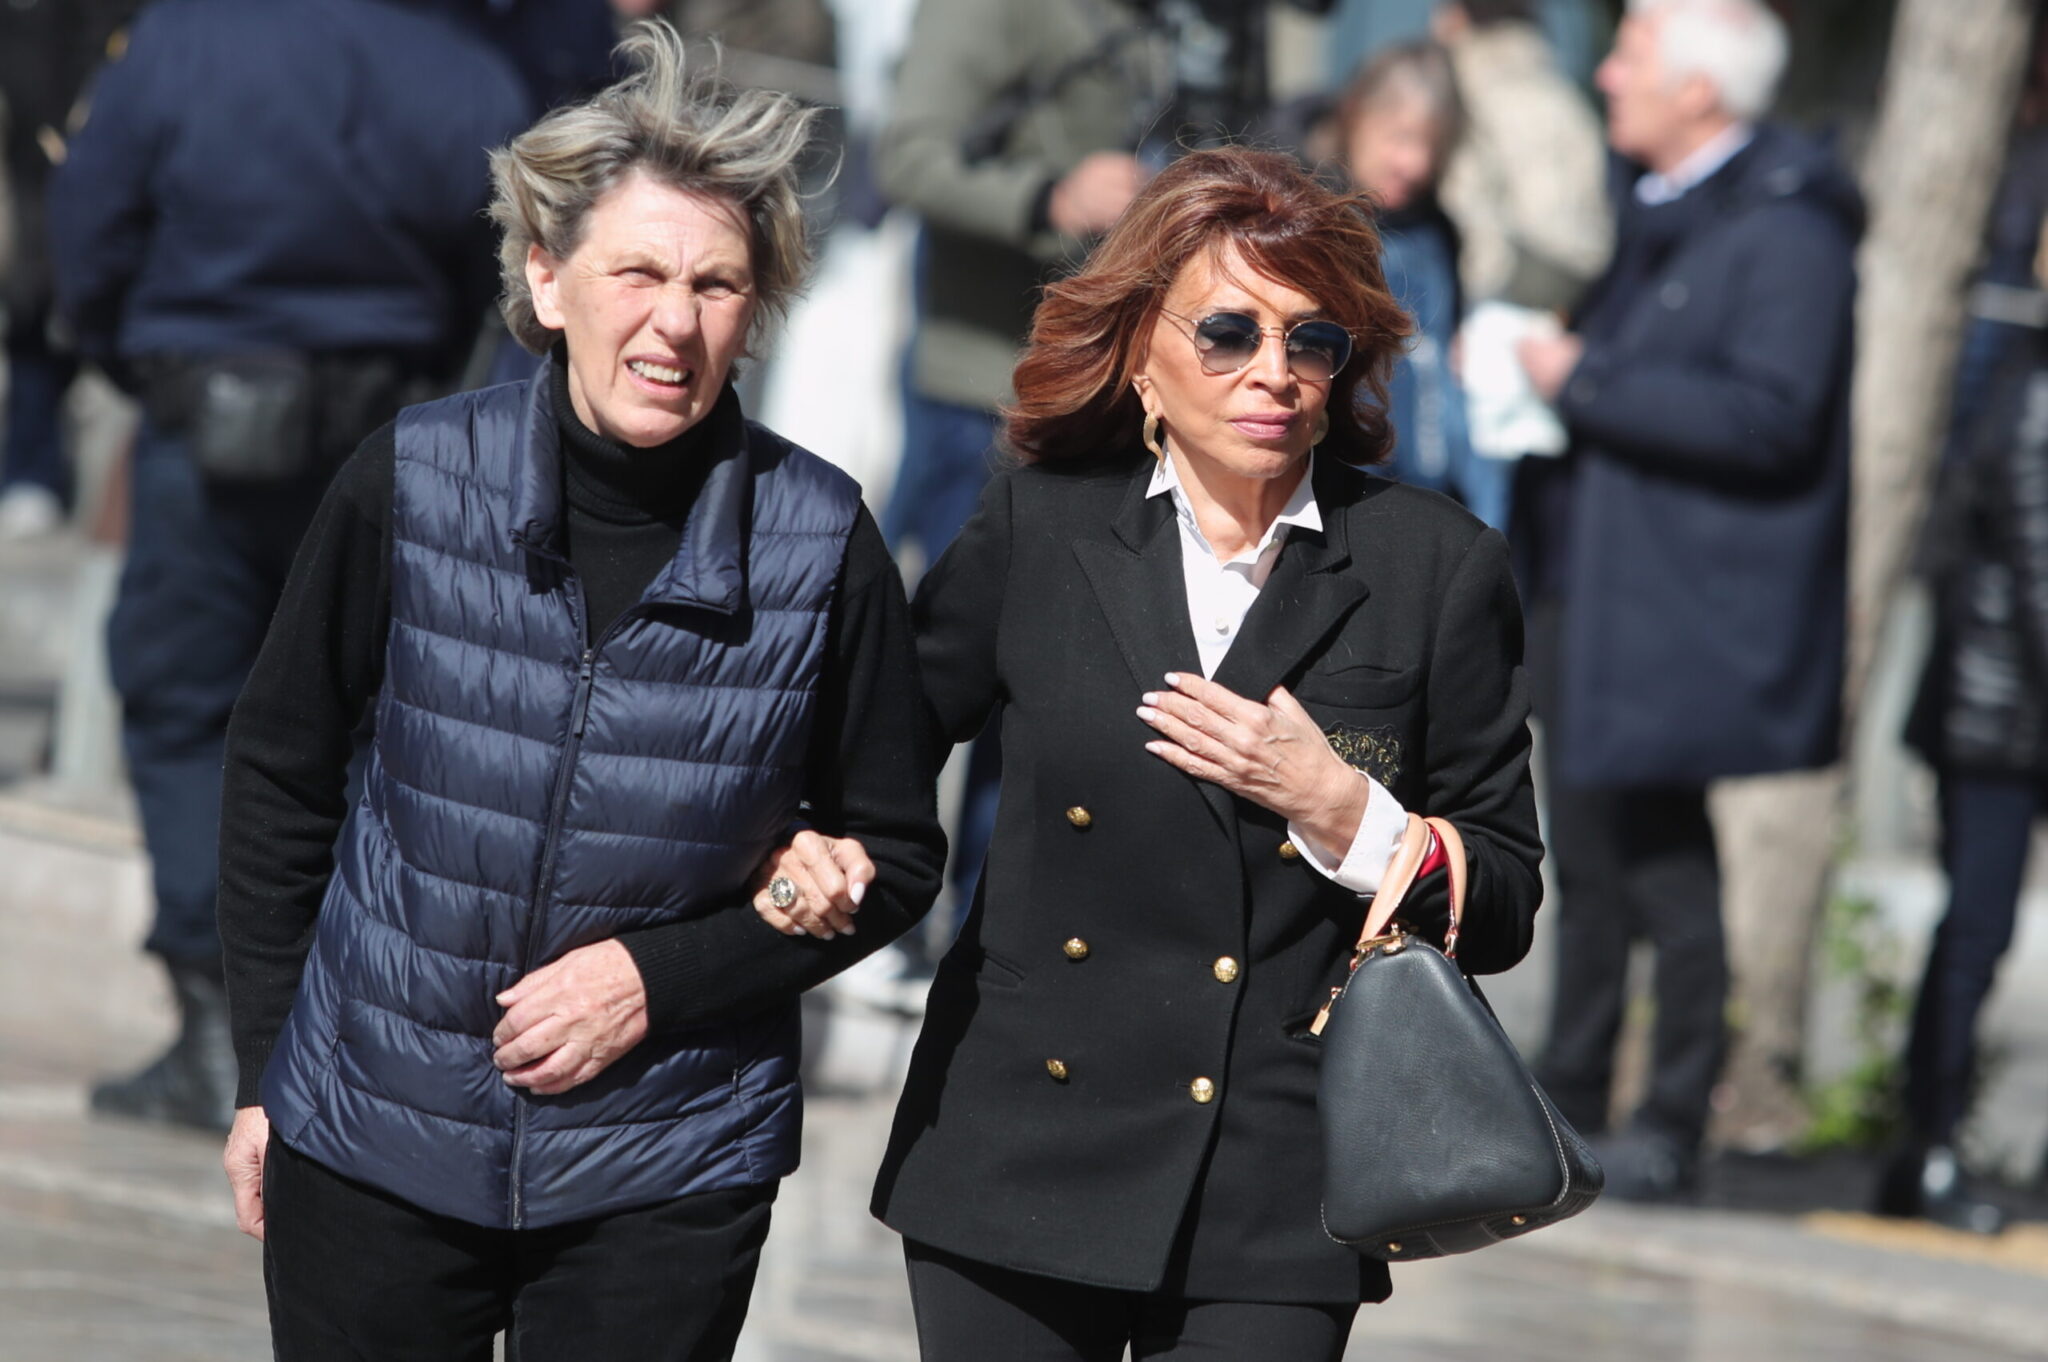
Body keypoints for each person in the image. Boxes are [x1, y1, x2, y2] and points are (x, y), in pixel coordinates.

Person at [215, 23, 944, 1358]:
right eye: (639, 273)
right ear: (548, 280)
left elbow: (892, 856)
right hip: (373, 1132)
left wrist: (661, 977)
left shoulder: (822, 539)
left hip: (668, 1163)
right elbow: (278, 775)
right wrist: (267, 1069)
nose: (675, 321)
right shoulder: (410, 480)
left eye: (718, 284)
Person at [762, 146, 1543, 1360]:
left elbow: (1502, 900)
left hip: (1272, 1178)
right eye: (1226, 333)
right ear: (1140, 353)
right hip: (1018, 1143)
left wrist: (1342, 811)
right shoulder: (1037, 522)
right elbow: (879, 753)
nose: (1271, 371)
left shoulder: (1434, 566)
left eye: (1310, 339)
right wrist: (808, 850)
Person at [49, 0, 533, 1134]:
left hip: (216, 412)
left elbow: (93, 223)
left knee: (188, 706)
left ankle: (217, 1019)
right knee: (362, 721)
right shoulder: (469, 70)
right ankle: (318, 1019)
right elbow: (501, 274)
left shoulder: (190, 35)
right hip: (385, 424)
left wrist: (134, 360)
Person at [1514, 0, 1858, 1200]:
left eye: (1631, 53)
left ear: (1699, 93)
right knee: (1586, 859)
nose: (1607, 74)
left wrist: (1583, 380)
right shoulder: (1644, 205)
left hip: (1675, 608)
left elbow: (1771, 414)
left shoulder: (1787, 232)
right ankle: (1565, 1095)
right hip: (1589, 584)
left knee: (1664, 869)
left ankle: (1669, 1115)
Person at [1882, 134, 2048, 1236]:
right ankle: (1926, 1150)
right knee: (1975, 932)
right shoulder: (2033, 396)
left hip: (2007, 706)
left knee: (1977, 932)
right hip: (1997, 714)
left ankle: (1931, 1147)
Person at [1336, 42, 1503, 529]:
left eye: (1433, 146)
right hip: (1345, 487)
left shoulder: (1437, 230)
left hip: (1430, 485)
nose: (1416, 163)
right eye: (1400, 137)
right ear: (1357, 115)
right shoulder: (1314, 218)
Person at [0, 0, 142, 538]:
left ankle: (111, 497)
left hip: (108, 165)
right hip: (34, 173)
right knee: (32, 320)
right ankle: (31, 468)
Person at [1431, 0, 1611, 314]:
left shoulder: (1470, 86)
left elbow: (1470, 204)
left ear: (1456, 18)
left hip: (1508, 286)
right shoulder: (1557, 88)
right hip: (1578, 281)